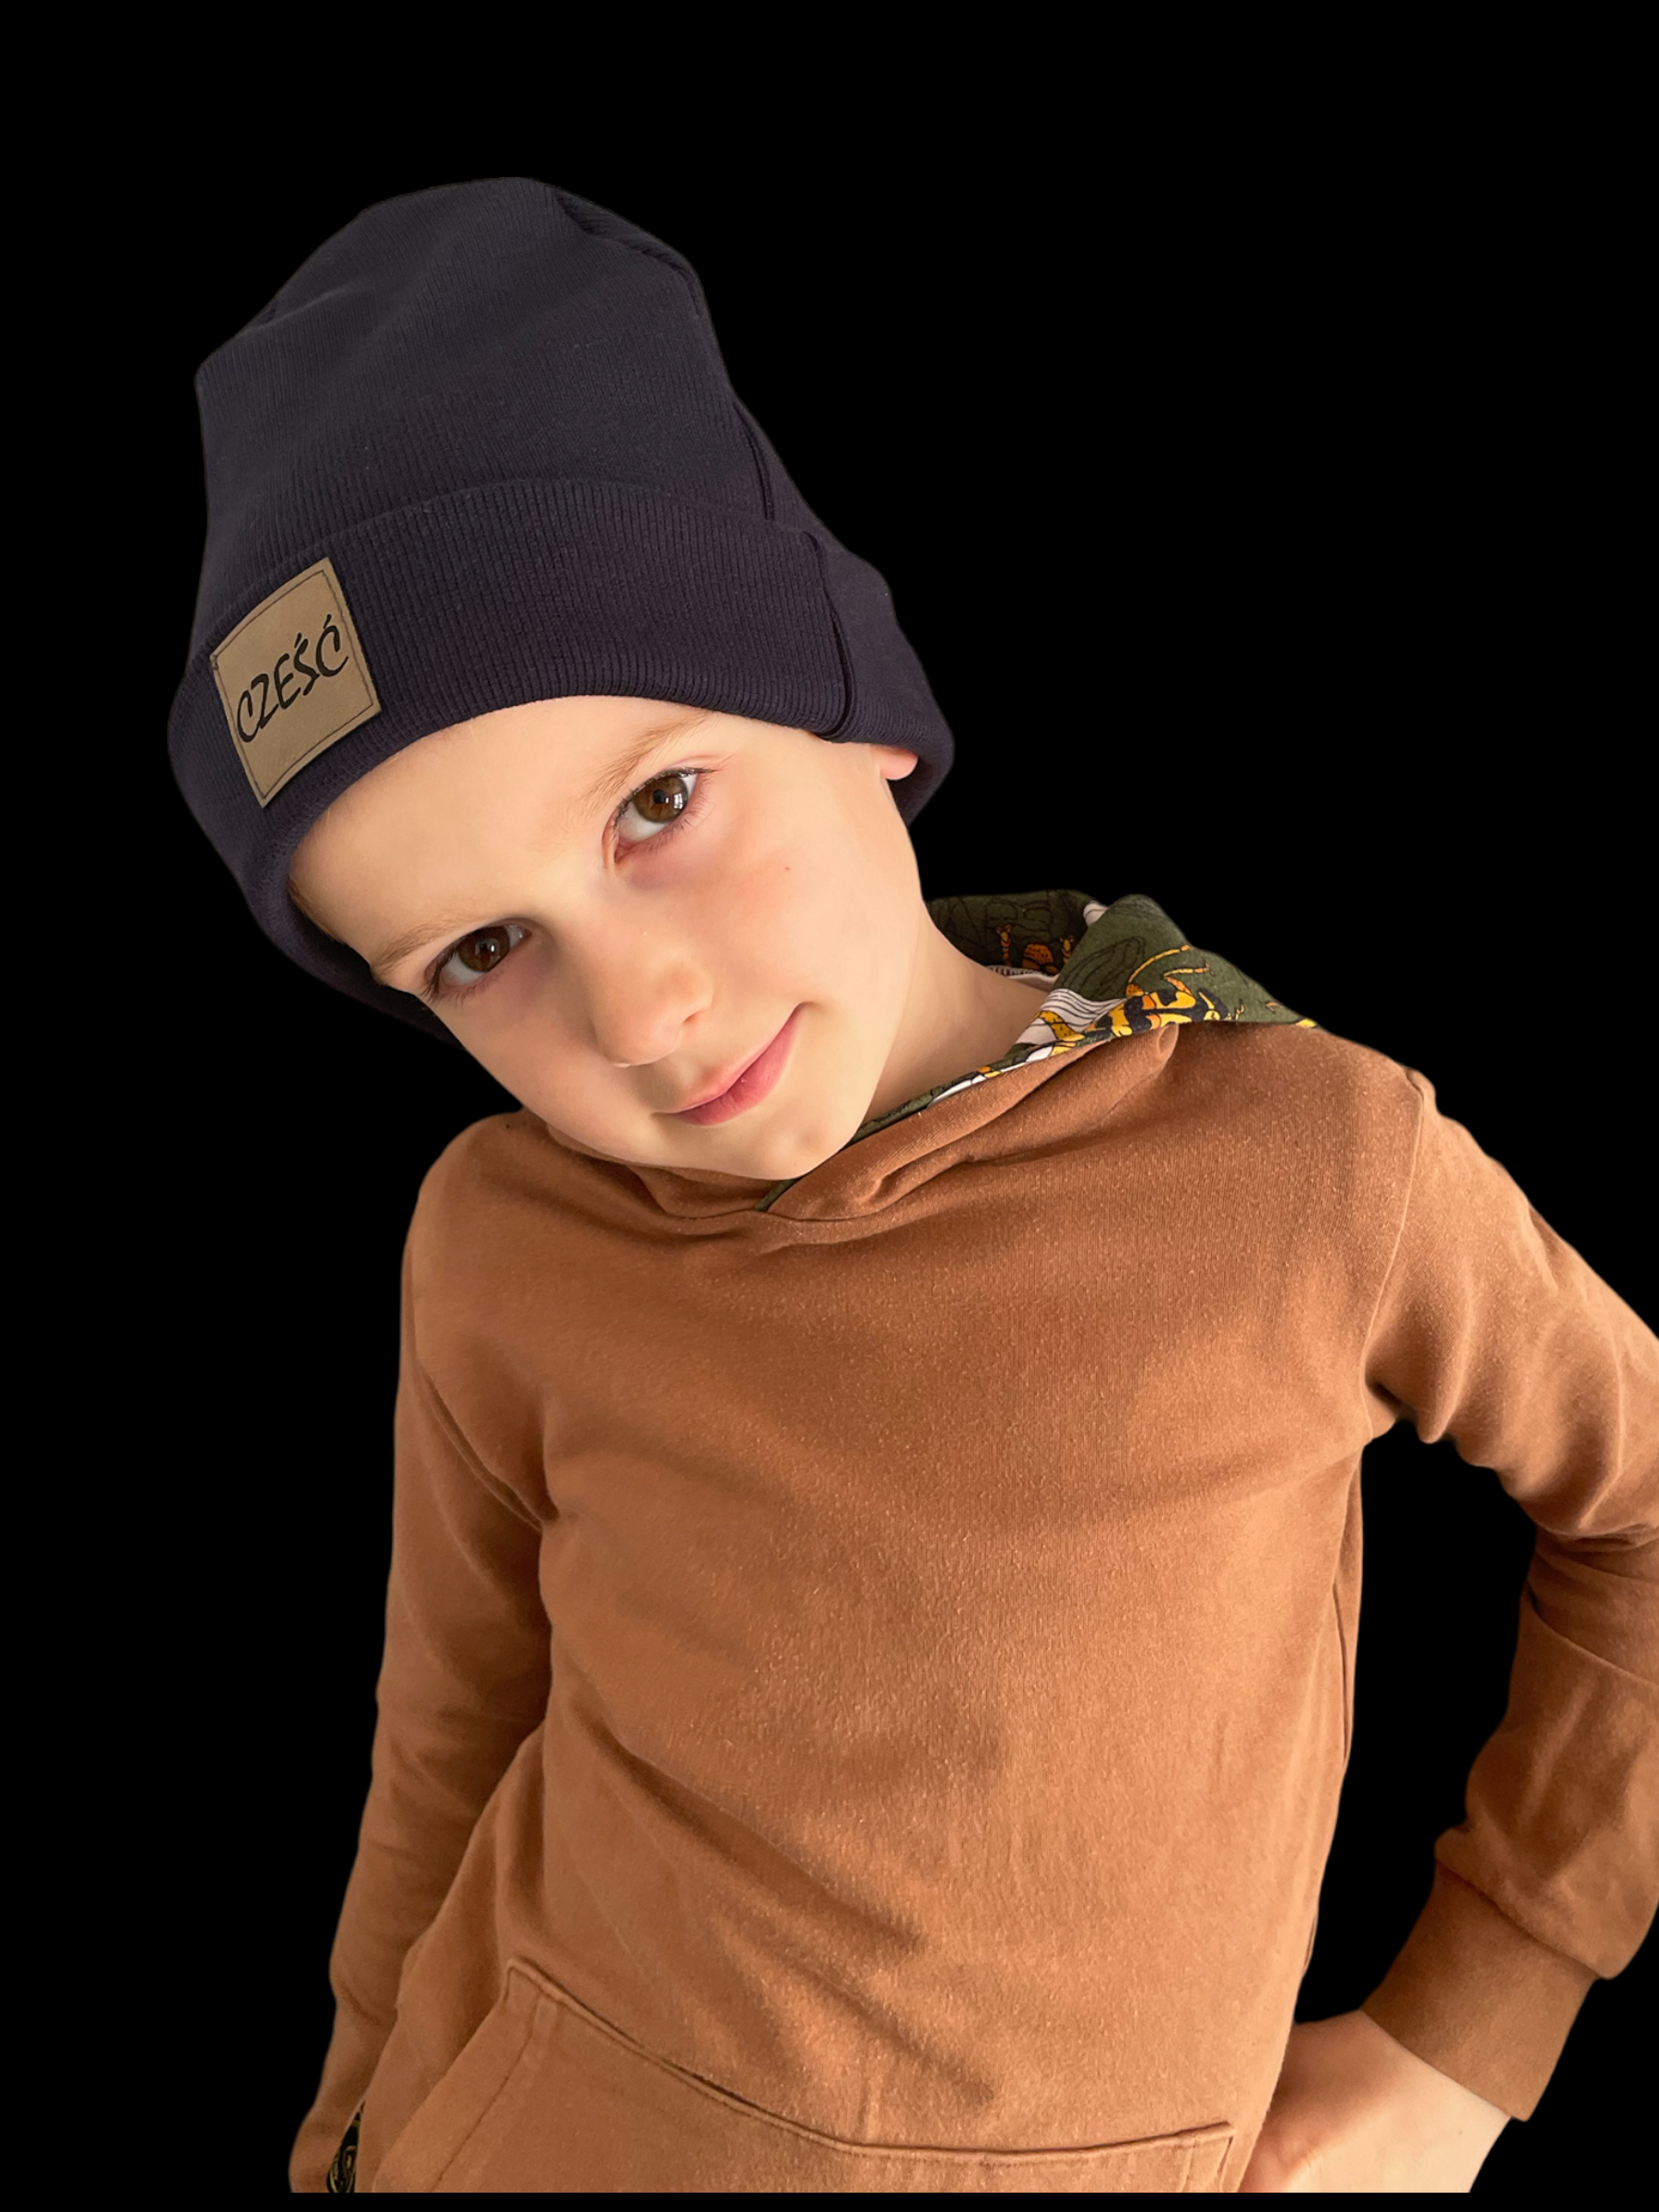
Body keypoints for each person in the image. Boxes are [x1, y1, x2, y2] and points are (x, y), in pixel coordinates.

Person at [167, 178, 1656, 2194]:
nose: (644, 1012)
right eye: (482, 954)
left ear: (844, 700)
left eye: (657, 804)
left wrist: (1468, 2031)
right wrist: (347, 2129)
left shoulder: (1307, 1165)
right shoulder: (504, 1240)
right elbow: (449, 1736)